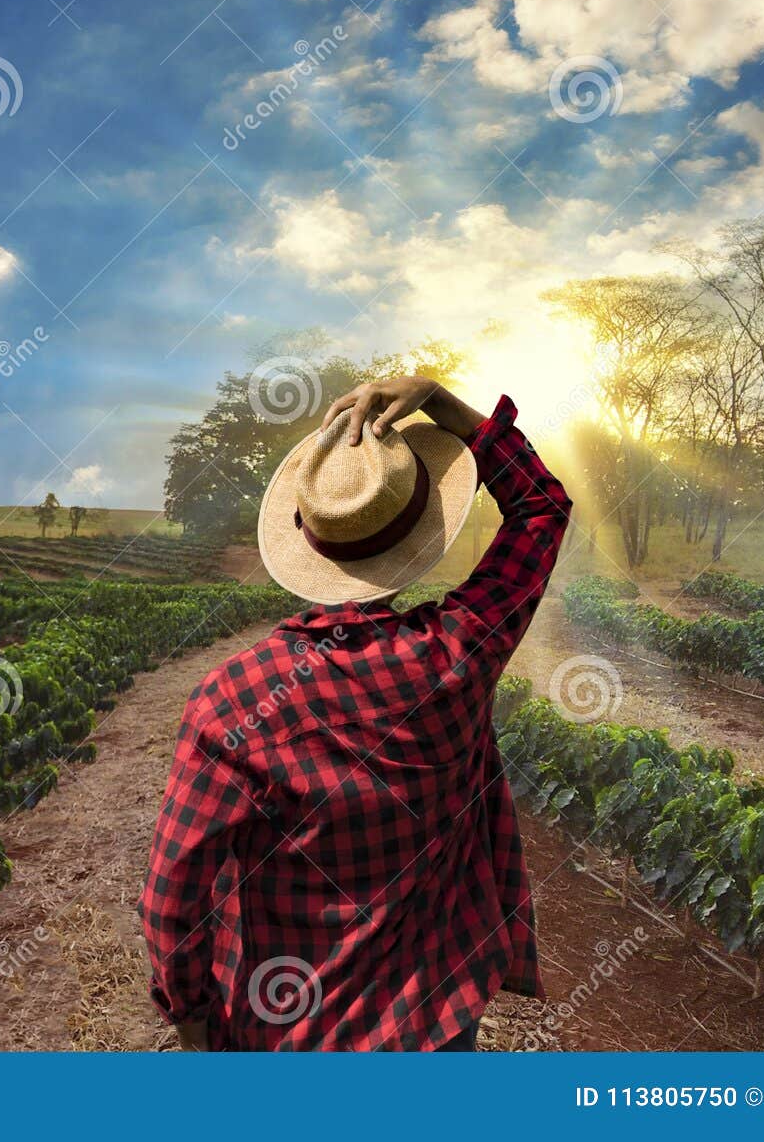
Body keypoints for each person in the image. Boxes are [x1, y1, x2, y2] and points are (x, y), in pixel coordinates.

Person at [138, 375, 572, 1050]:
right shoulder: (455, 657)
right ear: (421, 533)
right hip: (434, 1019)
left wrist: (192, 1015)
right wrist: (442, 401)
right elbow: (542, 506)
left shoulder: (230, 703)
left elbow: (173, 897)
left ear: (305, 538)